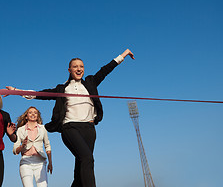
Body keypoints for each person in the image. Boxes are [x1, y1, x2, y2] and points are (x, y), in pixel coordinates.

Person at [7, 49, 134, 187]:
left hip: (89, 129)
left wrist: (124, 54)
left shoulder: (91, 82)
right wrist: (16, 91)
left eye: (81, 66)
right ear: (69, 70)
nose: (79, 69)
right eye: (75, 66)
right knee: (87, 159)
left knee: (82, 166)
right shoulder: (62, 89)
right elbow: (40, 94)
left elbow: (106, 69)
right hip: (70, 128)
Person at [13, 106, 53, 187]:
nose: (33, 114)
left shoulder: (43, 128)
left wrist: (50, 162)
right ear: (26, 116)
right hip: (26, 162)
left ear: (37, 116)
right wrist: (22, 146)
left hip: (40, 162)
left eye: (35, 113)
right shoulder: (21, 130)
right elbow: (15, 150)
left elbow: (47, 145)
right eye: (30, 112)